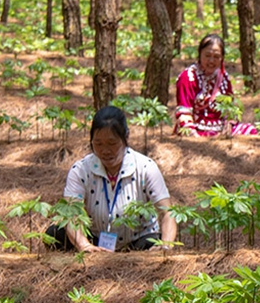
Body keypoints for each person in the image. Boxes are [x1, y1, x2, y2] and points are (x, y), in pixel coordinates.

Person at [47, 106, 178, 252]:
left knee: (151, 243)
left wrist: (166, 245)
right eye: (98, 144)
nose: (105, 151)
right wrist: (84, 245)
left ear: (126, 138)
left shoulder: (145, 167)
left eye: (112, 143)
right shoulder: (80, 170)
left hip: (139, 240)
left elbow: (167, 212)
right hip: (95, 240)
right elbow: (70, 213)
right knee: (55, 234)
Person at [173, 34, 259, 137]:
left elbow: (230, 109)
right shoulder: (188, 77)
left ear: (222, 58)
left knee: (250, 130)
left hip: (220, 129)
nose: (211, 61)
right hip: (195, 129)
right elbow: (183, 111)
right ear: (200, 54)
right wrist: (193, 135)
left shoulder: (223, 77)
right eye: (207, 56)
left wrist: (229, 125)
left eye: (216, 57)